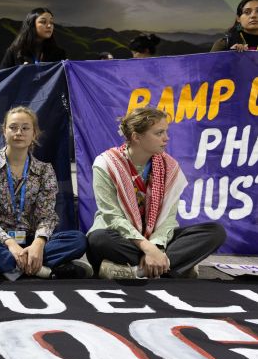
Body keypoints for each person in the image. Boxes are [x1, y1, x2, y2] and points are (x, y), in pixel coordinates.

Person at [86, 107, 226, 279]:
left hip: (156, 237)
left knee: (215, 232)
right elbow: (112, 217)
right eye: (159, 133)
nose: (166, 138)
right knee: (98, 239)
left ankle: (138, 271)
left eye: (166, 132)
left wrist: (156, 247)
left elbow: (168, 218)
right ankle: (173, 267)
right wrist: (147, 248)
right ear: (136, 137)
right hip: (121, 237)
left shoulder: (169, 166)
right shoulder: (106, 164)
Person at [0, 107, 90, 281]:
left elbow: (46, 216)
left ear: (34, 134)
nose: (19, 132)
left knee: (78, 240)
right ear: (4, 131)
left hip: (31, 240)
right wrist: (10, 244)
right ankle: (42, 270)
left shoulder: (44, 170)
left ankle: (4, 267)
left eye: (25, 128)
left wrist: (38, 244)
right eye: (13, 127)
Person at [0, 7, 65, 69]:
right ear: (32, 25)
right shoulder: (14, 52)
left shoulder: (59, 53)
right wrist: (20, 73)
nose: (49, 26)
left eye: (51, 22)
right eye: (43, 22)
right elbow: (3, 78)